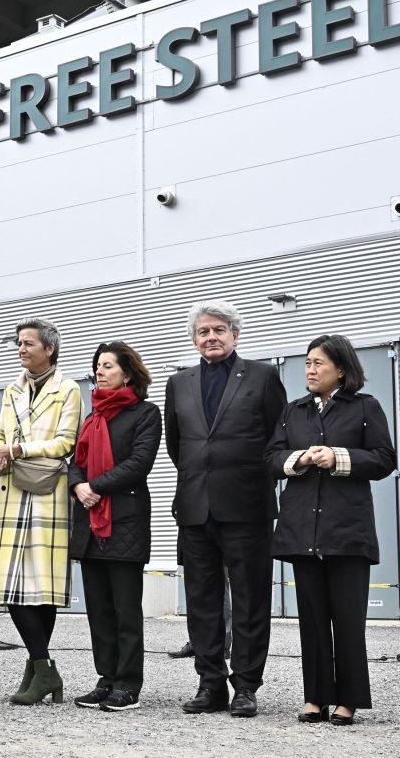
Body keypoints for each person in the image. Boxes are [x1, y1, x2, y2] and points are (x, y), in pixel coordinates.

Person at [265, 335, 395, 726]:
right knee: (313, 619)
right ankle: (315, 698)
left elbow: (384, 459)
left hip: (347, 531)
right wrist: (300, 458)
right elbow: (270, 459)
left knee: (348, 620)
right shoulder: (293, 411)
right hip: (303, 530)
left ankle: (348, 700)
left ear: (341, 368)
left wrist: (338, 456)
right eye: (307, 362)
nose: (310, 369)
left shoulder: (365, 408)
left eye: (318, 363)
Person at [164, 299, 286, 718]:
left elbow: (277, 439)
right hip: (197, 507)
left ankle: (246, 686)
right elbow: (177, 445)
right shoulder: (179, 383)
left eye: (218, 330)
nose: (210, 337)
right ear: (194, 339)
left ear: (235, 334)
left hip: (247, 506)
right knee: (202, 601)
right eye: (203, 331)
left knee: (251, 600)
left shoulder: (263, 376)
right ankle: (209, 683)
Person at [0, 318, 82, 705]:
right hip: (12, 489)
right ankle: (42, 667)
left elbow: (65, 443)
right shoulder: (12, 389)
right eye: (19, 344)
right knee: (12, 587)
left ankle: (38, 670)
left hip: (49, 491)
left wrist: (19, 450)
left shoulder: (69, 388)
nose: (21, 349)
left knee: (43, 588)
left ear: (49, 349)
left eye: (28, 343)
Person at [69, 342, 160, 712]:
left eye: (108, 365)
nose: (100, 371)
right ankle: (106, 679)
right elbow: (76, 460)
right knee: (99, 611)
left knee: (125, 610)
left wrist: (95, 486)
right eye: (98, 366)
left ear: (127, 372)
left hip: (124, 522)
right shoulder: (92, 417)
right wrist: (78, 485)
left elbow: (140, 463)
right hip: (89, 525)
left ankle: (128, 684)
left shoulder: (145, 413)